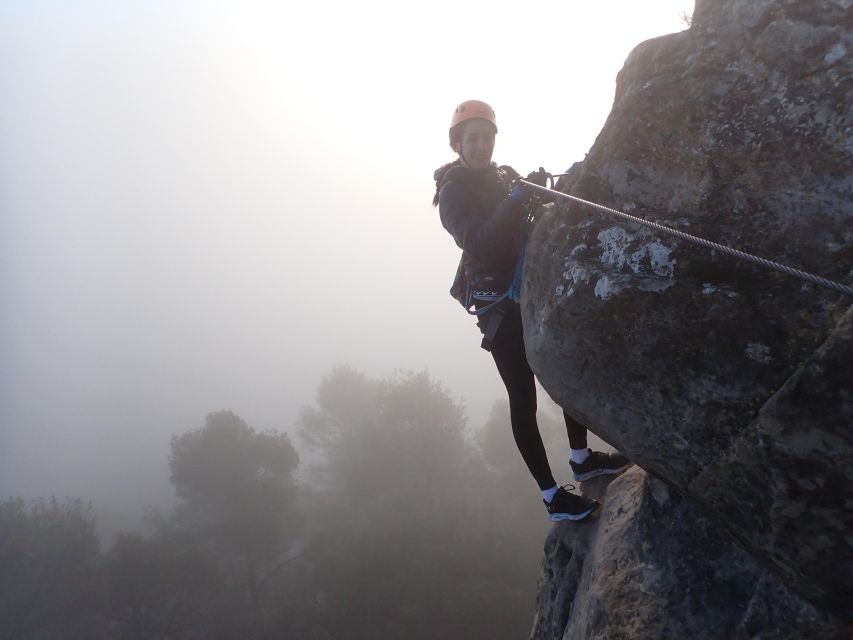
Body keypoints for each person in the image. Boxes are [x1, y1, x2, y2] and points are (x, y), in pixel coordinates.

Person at [433, 99, 630, 522]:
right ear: (458, 145)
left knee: (560, 365)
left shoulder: (502, 176)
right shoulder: (452, 193)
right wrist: (517, 197)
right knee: (522, 397)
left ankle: (581, 459)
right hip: (498, 306)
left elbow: (515, 217)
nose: (482, 145)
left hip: (527, 288)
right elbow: (480, 241)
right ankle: (551, 497)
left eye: (487, 137)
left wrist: (530, 189)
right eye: (473, 139)